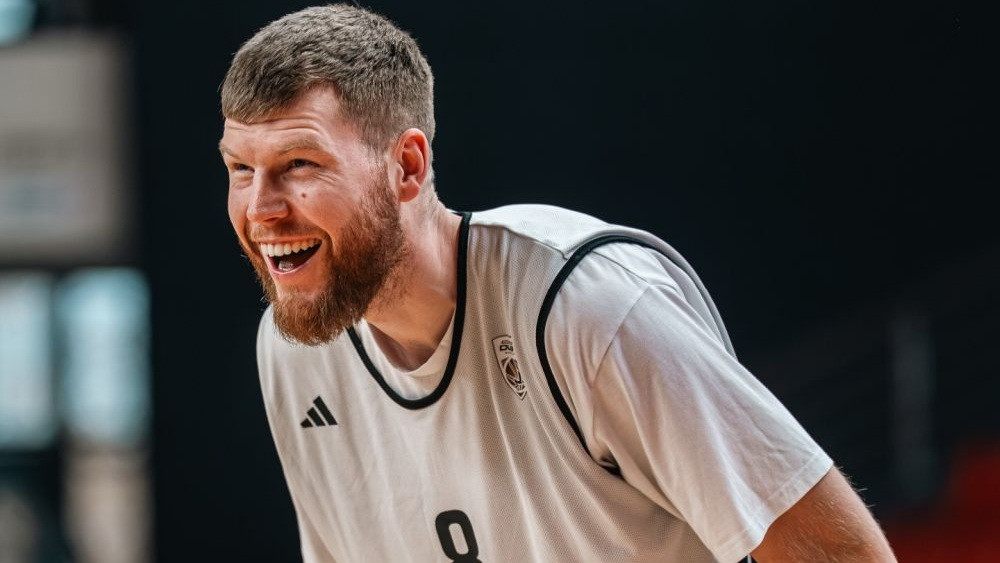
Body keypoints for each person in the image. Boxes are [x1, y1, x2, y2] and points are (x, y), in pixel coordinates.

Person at [219, 4, 896, 562]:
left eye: (299, 164)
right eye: (241, 169)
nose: (260, 208)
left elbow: (843, 554)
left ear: (408, 167)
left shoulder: (586, 306)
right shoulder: (294, 350)